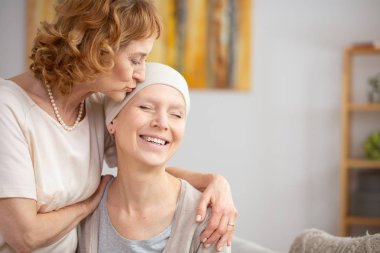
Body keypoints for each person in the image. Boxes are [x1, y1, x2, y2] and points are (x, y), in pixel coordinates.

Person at [0, 0, 236, 252]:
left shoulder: (94, 104)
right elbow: (25, 236)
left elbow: (142, 170)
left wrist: (214, 182)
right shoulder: (8, 109)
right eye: (135, 60)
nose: (141, 74)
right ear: (98, 49)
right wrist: (88, 205)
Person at [78, 62, 231, 253]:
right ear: (112, 121)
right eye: (146, 107)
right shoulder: (83, 208)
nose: (162, 123)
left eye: (176, 114)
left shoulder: (207, 217)